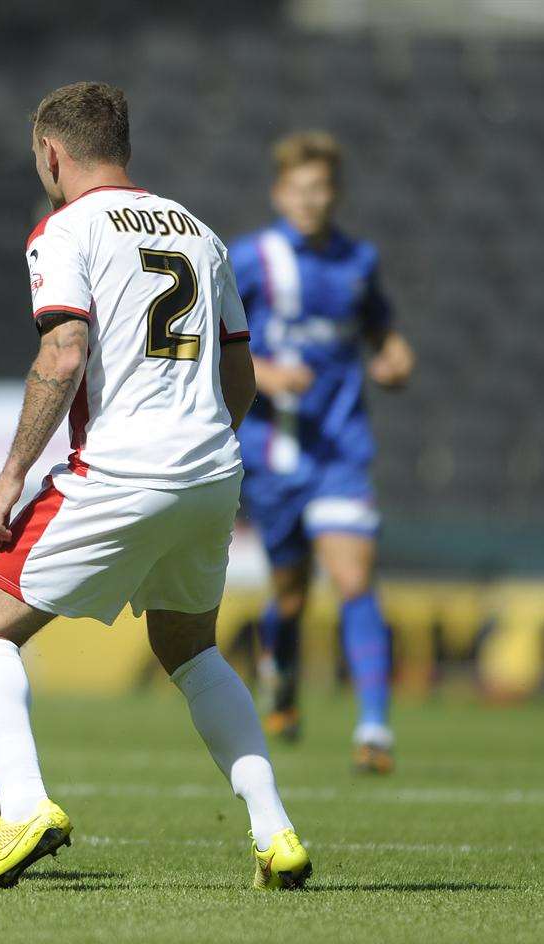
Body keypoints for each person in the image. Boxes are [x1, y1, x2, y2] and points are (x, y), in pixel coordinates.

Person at [0, 82, 310, 892]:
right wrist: (203, 446)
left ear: (51, 154)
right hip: (212, 468)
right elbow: (239, 374)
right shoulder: (198, 230)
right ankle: (274, 831)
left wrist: (9, 477)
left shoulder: (64, 229)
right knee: (189, 650)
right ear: (125, 148)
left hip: (118, 469)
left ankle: (27, 807)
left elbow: (62, 354)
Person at [229, 131, 413, 774]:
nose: (311, 200)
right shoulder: (250, 260)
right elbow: (208, 341)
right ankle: (278, 666)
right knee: (290, 597)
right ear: (281, 194)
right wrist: (264, 373)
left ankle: (375, 729)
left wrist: (393, 355)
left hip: (340, 450)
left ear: (334, 194)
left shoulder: (358, 261)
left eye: (322, 189)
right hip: (274, 454)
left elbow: (380, 330)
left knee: (355, 578)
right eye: (299, 189)